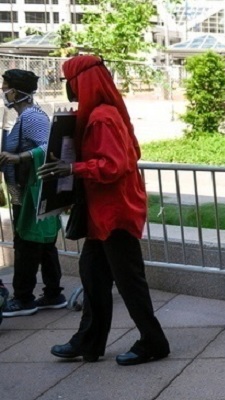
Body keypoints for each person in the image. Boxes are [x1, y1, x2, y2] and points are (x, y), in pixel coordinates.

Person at [38, 55, 170, 365]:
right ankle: (89, 342)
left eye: (68, 81)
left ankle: (154, 342)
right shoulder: (106, 112)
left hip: (115, 214)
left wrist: (72, 168)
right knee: (93, 278)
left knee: (129, 282)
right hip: (104, 215)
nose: (68, 88)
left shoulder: (101, 117)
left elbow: (114, 166)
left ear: (81, 82)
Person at [0, 69, 65, 318]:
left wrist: (19, 157)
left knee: (27, 242)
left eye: (5, 87)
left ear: (16, 91)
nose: (4, 92)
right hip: (22, 190)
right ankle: (52, 293)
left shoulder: (32, 117)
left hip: (30, 191)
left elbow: (48, 146)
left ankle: (24, 298)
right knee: (42, 242)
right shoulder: (22, 116)